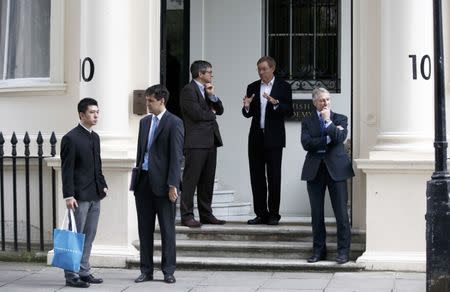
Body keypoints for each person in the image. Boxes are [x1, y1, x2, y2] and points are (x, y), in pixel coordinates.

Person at [133, 84, 183, 284]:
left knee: (167, 230)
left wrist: (173, 184)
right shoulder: (144, 122)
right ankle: (146, 270)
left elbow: (176, 156)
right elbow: (141, 152)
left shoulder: (174, 122)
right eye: (146, 100)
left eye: (150, 101)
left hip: (164, 185)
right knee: (144, 229)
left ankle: (168, 271)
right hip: (143, 182)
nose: (147, 104)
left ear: (162, 101)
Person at [300, 87, 354, 264]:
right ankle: (318, 251)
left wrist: (329, 123)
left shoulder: (340, 118)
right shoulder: (307, 121)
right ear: (314, 102)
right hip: (314, 171)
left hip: (337, 170)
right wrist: (327, 139)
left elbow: (340, 138)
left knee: (341, 214)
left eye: (328, 100)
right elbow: (306, 144)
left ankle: (343, 252)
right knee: (316, 214)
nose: (325, 103)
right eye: (322, 100)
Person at [60, 98, 108, 288]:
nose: (96, 115)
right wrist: (68, 195)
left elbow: (98, 164)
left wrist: (103, 184)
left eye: (97, 112)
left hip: (96, 194)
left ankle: (84, 271)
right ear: (81, 115)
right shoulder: (70, 138)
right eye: (91, 112)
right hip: (78, 197)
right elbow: (67, 170)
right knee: (75, 236)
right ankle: (71, 275)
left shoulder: (95, 137)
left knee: (90, 235)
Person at [242, 56, 293, 225]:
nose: (261, 72)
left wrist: (276, 103)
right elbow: (247, 114)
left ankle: (273, 214)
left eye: (264, 69)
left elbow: (289, 111)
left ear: (272, 68)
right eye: (259, 69)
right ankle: (260, 213)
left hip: (274, 138)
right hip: (256, 137)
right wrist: (247, 106)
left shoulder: (283, 87)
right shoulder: (253, 87)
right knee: (256, 177)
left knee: (273, 177)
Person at [179, 60, 226, 227]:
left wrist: (212, 96)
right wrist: (211, 114)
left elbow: (220, 109)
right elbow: (196, 114)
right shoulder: (188, 90)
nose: (212, 75)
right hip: (195, 142)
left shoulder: (208, 90)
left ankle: (206, 214)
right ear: (200, 74)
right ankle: (187, 216)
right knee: (191, 180)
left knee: (207, 180)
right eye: (209, 72)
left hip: (211, 140)